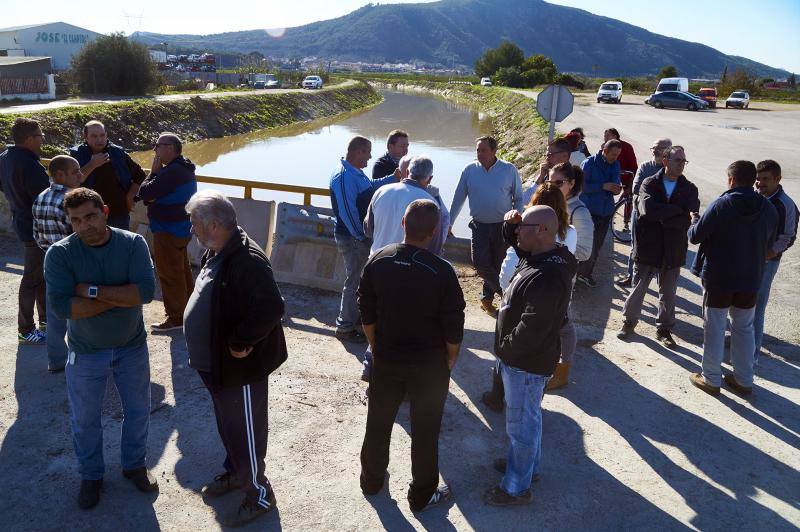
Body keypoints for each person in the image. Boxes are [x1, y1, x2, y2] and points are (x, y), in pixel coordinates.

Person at [44, 188, 157, 509]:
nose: (84, 226)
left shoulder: (132, 244)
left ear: (105, 211)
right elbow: (65, 307)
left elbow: (145, 293)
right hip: (86, 351)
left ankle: (134, 465)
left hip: (131, 346)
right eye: (76, 220)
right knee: (85, 419)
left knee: (137, 411)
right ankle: (91, 476)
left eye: (90, 216)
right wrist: (119, 295)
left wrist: (89, 291)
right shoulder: (60, 254)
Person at [183, 190, 287, 527]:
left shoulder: (247, 260)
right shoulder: (217, 248)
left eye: (194, 223)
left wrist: (242, 342)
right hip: (216, 366)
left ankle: (259, 494)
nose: (191, 229)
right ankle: (234, 472)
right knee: (230, 425)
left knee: (246, 431)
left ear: (214, 224)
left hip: (238, 369)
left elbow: (272, 307)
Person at [357, 199, 465, 513]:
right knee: (425, 430)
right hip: (430, 366)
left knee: (378, 421)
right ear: (434, 232)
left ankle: (372, 480)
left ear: (403, 225)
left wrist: (376, 344)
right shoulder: (442, 271)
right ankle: (422, 495)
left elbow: (366, 311)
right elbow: (453, 325)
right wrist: (451, 357)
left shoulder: (379, 259)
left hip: (387, 358)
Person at [483, 206, 577, 506]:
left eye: (524, 225)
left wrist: (507, 350)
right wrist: (512, 227)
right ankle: (526, 468)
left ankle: (515, 488)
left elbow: (533, 326)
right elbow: (518, 244)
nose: (518, 229)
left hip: (524, 362)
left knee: (521, 427)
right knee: (530, 420)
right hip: (527, 360)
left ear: (541, 231)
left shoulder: (547, 275)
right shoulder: (541, 257)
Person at [688, 161, 777, 396]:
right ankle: (744, 379)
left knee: (715, 327)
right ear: (752, 179)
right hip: (750, 278)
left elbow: (696, 237)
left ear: (731, 180)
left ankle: (711, 378)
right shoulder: (768, 208)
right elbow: (770, 239)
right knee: (744, 328)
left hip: (720, 277)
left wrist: (694, 221)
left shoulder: (722, 204)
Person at [617, 146, 699, 348]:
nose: (681, 164)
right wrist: (676, 211)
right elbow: (647, 210)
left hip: (673, 249)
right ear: (665, 161)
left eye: (683, 161)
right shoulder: (650, 183)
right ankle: (629, 322)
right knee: (639, 288)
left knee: (668, 292)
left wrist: (664, 216)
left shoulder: (689, 188)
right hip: (648, 247)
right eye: (677, 160)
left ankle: (664, 330)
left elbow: (687, 219)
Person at [330, 136, 399, 343]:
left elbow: (370, 186)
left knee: (360, 280)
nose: (370, 156)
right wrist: (360, 236)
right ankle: (344, 326)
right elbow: (347, 212)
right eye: (368, 152)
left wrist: (392, 178)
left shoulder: (355, 173)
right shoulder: (343, 177)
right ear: (358, 152)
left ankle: (356, 323)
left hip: (359, 237)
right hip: (352, 238)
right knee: (354, 281)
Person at [449, 136, 523, 317]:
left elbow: (519, 197)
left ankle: (487, 301)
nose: (479, 153)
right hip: (479, 226)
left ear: (494, 151)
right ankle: (506, 294)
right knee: (481, 264)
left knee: (496, 265)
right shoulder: (469, 170)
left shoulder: (508, 169)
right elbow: (459, 198)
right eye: (477, 150)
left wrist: (517, 219)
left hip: (503, 226)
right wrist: (449, 223)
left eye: (483, 150)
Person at [137, 133, 198, 332]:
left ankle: (176, 318)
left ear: (170, 148)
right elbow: (150, 197)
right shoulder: (184, 168)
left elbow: (145, 193)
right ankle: (189, 310)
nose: (155, 150)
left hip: (168, 229)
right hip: (181, 227)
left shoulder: (171, 172)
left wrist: (153, 173)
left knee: (169, 274)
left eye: (158, 146)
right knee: (181, 270)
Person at [0, 117, 50, 344]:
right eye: (40, 136)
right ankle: (26, 329)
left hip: (21, 224)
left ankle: (46, 321)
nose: (42, 140)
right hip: (36, 229)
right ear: (30, 139)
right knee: (32, 277)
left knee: (40, 276)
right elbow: (44, 202)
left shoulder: (4, 158)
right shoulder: (31, 166)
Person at [32, 155, 84, 371]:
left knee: (54, 317)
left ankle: (56, 361)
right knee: (81, 314)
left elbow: (37, 234)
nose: (81, 175)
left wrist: (50, 254)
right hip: (75, 265)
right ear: (60, 175)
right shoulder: (72, 201)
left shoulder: (40, 197)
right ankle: (85, 360)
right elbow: (81, 236)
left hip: (51, 262)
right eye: (76, 172)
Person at [753, 160, 797, 363]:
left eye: (765, 179)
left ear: (778, 179)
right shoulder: (755, 196)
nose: (760, 183)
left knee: (757, 305)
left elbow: (787, 237)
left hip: (766, 263)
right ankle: (742, 340)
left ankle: (752, 351)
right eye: (758, 178)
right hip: (746, 259)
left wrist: (767, 254)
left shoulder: (786, 205)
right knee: (742, 303)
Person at [69, 120, 147, 230]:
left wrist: (130, 196)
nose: (99, 139)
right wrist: (92, 164)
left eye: (102, 135)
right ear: (85, 137)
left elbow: (140, 175)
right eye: (94, 136)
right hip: (87, 214)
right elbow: (73, 182)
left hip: (118, 213)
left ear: (106, 135)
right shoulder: (76, 155)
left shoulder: (117, 153)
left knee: (120, 245)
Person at [618, 138, 673, 287]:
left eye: (659, 148)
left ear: (668, 150)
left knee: (660, 248)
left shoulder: (672, 170)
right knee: (635, 246)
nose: (654, 151)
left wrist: (653, 197)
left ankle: (655, 279)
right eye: (653, 148)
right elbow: (636, 189)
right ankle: (631, 276)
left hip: (660, 219)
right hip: (641, 215)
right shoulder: (645, 166)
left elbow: (672, 195)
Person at [576, 139, 623, 287]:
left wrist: (617, 188)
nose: (615, 158)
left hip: (606, 211)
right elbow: (582, 187)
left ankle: (585, 274)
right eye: (613, 154)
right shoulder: (589, 164)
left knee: (597, 245)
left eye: (617, 155)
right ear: (605, 151)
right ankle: (576, 273)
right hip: (589, 211)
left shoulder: (615, 164)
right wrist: (603, 186)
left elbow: (615, 182)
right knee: (585, 244)